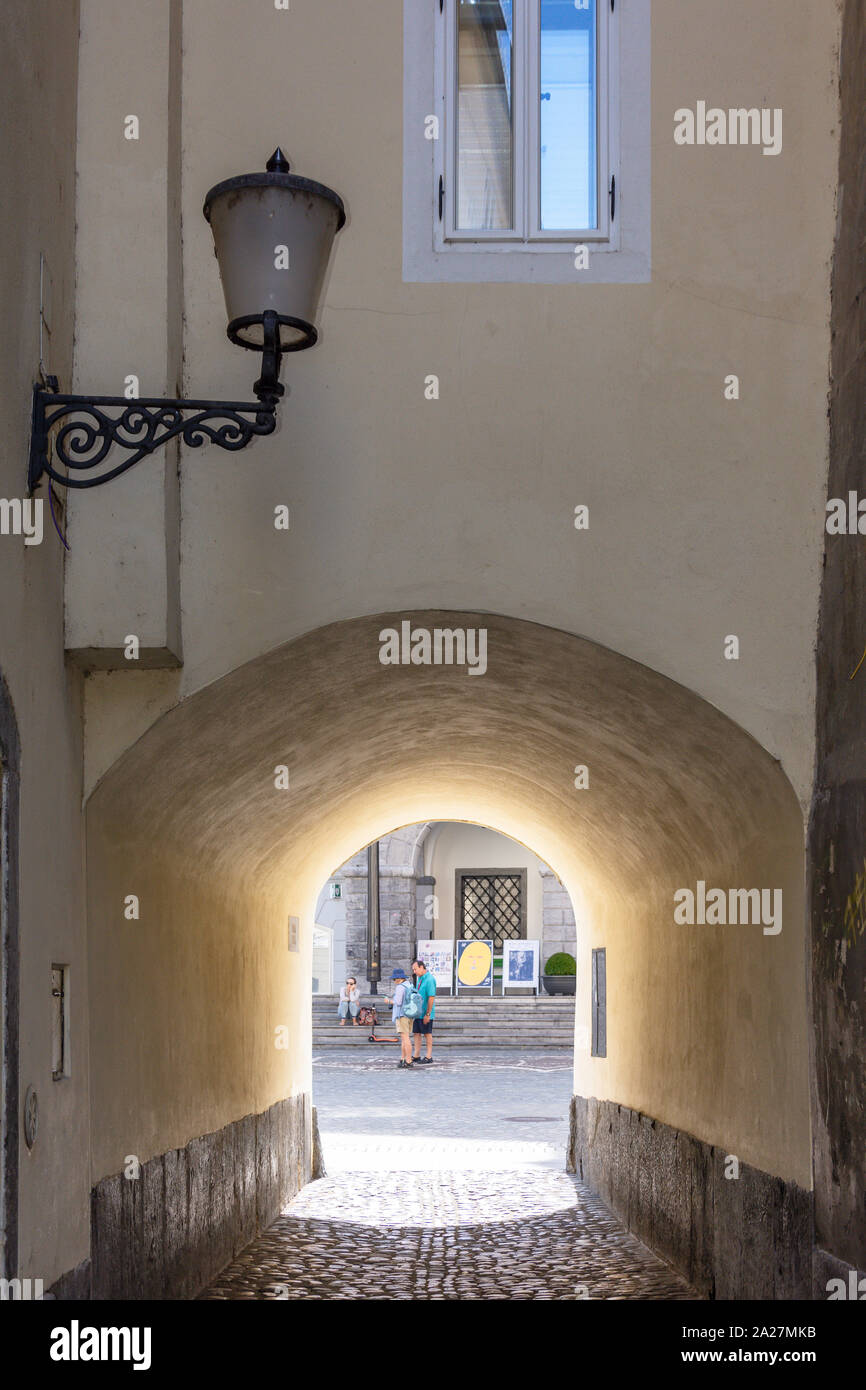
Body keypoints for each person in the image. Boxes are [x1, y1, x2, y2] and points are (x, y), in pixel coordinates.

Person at [384, 969, 414, 1068]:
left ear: (399, 978)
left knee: (405, 1039)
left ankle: (408, 1061)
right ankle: (403, 1058)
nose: (394, 981)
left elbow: (398, 1002)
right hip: (409, 1014)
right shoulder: (409, 985)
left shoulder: (400, 987)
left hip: (401, 1015)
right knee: (404, 1038)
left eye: (395, 979)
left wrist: (388, 1001)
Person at [411, 957, 436, 1063]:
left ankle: (429, 1056)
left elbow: (431, 997)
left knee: (427, 1033)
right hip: (418, 1012)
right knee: (416, 1032)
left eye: (415, 969)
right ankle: (416, 1055)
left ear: (422, 967)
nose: (414, 971)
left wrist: (428, 1014)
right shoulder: (420, 979)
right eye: (413, 970)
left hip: (426, 1012)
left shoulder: (430, 979)